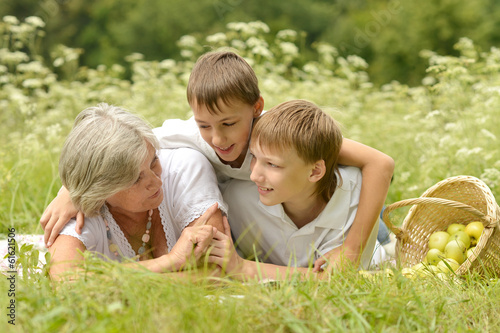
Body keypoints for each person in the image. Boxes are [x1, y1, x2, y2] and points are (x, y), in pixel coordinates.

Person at [41, 50, 394, 271]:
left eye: (229, 124)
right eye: (205, 125)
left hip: (339, 201)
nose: (218, 139)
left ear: (257, 108)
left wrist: (349, 251)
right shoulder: (189, 134)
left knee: (376, 240)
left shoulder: (282, 138)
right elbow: (108, 152)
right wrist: (72, 191)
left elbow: (380, 164)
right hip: (276, 215)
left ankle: (383, 240)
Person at [48, 103, 227, 280]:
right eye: (135, 179)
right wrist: (170, 262)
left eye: (153, 161)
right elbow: (67, 281)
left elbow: (217, 271)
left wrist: (115, 283)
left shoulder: (184, 169)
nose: (156, 182)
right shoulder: (80, 211)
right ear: (101, 191)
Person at [207, 100, 381, 280]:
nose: (254, 176)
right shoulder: (237, 198)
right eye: (254, 156)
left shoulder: (356, 198)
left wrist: (244, 268)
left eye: (273, 164)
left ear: (314, 171)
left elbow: (335, 280)